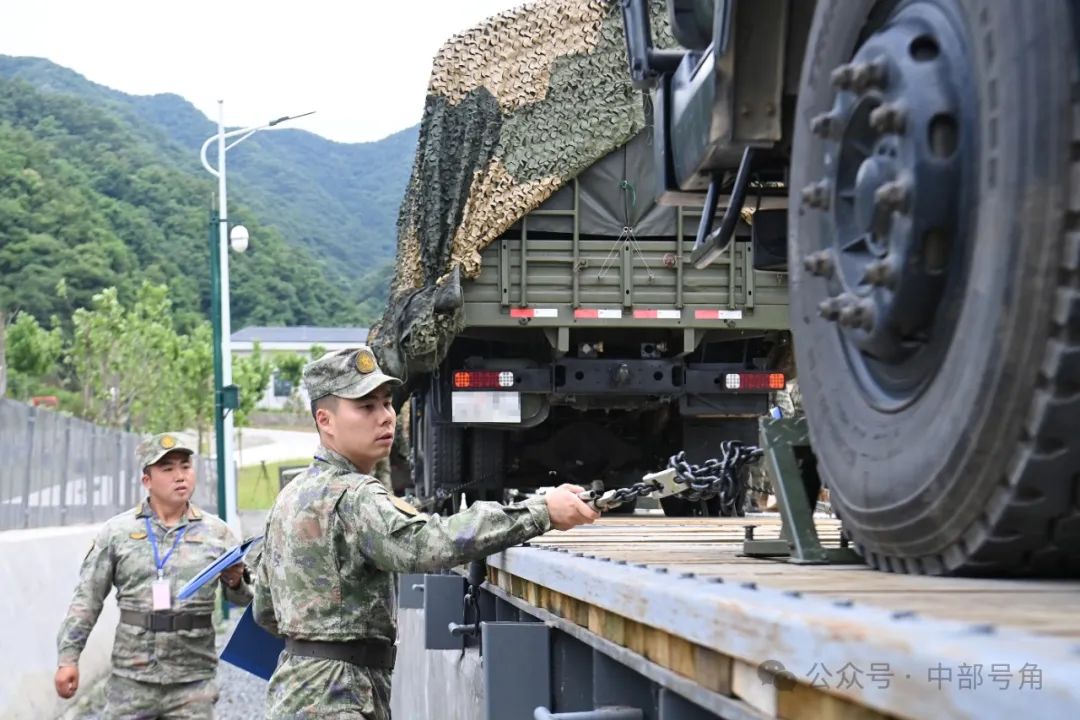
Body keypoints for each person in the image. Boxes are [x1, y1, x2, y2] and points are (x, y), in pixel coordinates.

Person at [253, 347, 600, 719]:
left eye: (387, 403)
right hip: (338, 696)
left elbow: (264, 609)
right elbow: (424, 545)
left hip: (297, 688)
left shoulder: (290, 496)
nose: (385, 417)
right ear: (326, 421)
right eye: (366, 407)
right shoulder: (354, 495)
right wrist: (540, 511)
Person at [55, 432, 253, 719]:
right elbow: (87, 599)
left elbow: (244, 598)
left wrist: (235, 580)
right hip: (132, 680)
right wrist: (68, 659)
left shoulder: (217, 533)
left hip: (193, 680)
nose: (180, 476)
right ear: (146, 480)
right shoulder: (117, 533)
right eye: (168, 468)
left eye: (185, 466)